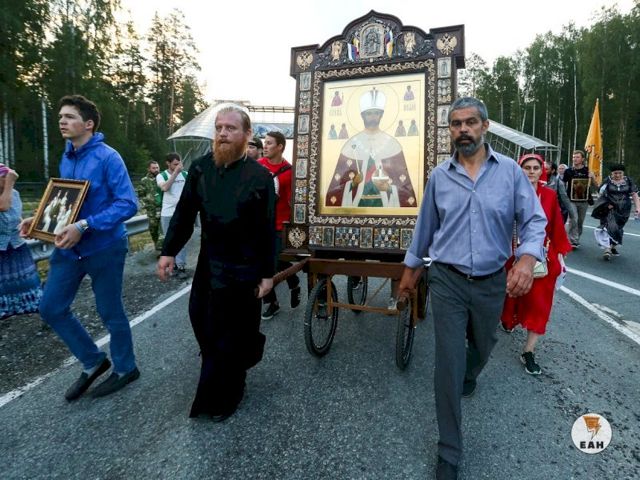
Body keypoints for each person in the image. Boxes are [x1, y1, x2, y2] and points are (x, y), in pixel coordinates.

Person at [397, 97, 547, 480]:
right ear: (450, 130)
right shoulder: (439, 177)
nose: (463, 129)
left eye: (470, 122)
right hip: (447, 279)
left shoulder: (510, 172)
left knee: (484, 343)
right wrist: (410, 271)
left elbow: (534, 220)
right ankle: (449, 452)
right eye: (455, 124)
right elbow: (425, 228)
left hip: (492, 281)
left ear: (485, 126)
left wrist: (526, 259)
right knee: (448, 363)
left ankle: (471, 371)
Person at [156, 104, 275, 421]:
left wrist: (267, 274)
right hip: (210, 265)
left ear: (247, 134)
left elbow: (267, 229)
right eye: (219, 128)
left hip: (244, 268)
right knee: (202, 321)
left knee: (233, 334)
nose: (222, 133)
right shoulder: (201, 169)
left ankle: (229, 394)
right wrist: (169, 251)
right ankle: (222, 377)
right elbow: (184, 214)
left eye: (230, 128)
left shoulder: (260, 177)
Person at [19, 94, 139, 400]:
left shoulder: (108, 157)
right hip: (68, 249)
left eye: (70, 116)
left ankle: (126, 368)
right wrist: (40, 218)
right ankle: (93, 360)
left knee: (109, 310)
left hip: (105, 247)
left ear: (88, 124)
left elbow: (127, 204)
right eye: (61, 116)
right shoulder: (67, 156)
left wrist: (84, 226)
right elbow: (66, 201)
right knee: (50, 307)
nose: (62, 121)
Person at [500, 154, 572, 375]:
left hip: (541, 258)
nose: (531, 171)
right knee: (509, 296)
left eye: (535, 168)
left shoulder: (549, 195)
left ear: (543, 171)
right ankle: (508, 319)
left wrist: (560, 253)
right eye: (527, 167)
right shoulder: (507, 193)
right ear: (519, 170)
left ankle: (528, 351)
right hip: (510, 254)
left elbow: (556, 225)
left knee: (540, 303)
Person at [325, 87, 417, 208]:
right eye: (369, 113)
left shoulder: (393, 145)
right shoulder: (350, 145)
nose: (373, 116)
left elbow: (406, 190)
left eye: (376, 113)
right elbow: (334, 190)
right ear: (362, 115)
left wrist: (389, 188)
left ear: (381, 115)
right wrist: (353, 184)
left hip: (386, 207)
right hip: (357, 207)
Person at [257, 131, 301, 320]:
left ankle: (292, 278)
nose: (265, 146)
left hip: (280, 225)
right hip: (259, 225)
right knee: (260, 265)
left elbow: (293, 201)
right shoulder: (257, 166)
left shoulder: (290, 171)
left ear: (280, 146)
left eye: (269, 143)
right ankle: (272, 302)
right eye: (264, 142)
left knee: (274, 263)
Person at [0, 165, 42, 319]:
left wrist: (26, 227)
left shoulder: (14, 194)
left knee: (25, 284)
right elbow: (3, 206)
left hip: (16, 245)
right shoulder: (9, 191)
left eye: (6, 177)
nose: (6, 180)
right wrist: (10, 182)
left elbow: (16, 216)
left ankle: (30, 309)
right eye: (3, 177)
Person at [592, 164, 640, 260]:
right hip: (610, 208)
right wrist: (605, 204)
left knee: (618, 228)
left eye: (619, 173)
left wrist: (638, 208)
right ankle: (607, 249)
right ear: (612, 173)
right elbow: (600, 193)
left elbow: (634, 195)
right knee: (608, 226)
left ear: (623, 173)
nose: (617, 175)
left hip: (624, 210)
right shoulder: (607, 181)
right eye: (615, 173)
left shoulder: (628, 181)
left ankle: (613, 245)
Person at [156, 152, 188, 278]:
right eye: (175, 164)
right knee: (169, 240)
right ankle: (172, 264)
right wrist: (175, 173)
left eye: (179, 164)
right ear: (168, 163)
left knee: (181, 239)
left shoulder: (185, 174)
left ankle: (181, 266)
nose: (178, 166)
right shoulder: (161, 175)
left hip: (181, 212)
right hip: (167, 213)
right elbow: (164, 188)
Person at [564, 150, 598, 248]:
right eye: (573, 157)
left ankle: (576, 238)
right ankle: (572, 240)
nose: (575, 159)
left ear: (582, 159)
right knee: (573, 219)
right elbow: (562, 183)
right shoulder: (568, 171)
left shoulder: (588, 170)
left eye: (577, 157)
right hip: (571, 199)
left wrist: (592, 178)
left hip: (584, 200)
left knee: (580, 221)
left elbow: (596, 186)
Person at [137, 160, 163, 252]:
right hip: (152, 209)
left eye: (157, 167)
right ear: (149, 169)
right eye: (153, 168)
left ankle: (164, 249)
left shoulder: (163, 177)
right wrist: (146, 204)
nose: (156, 170)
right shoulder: (144, 181)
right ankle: (157, 245)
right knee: (153, 228)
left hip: (164, 208)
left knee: (164, 228)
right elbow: (140, 195)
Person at [545, 159, 574, 225]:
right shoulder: (536, 180)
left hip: (552, 211)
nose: (543, 171)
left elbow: (564, 198)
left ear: (552, 170)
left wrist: (571, 213)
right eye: (542, 168)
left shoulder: (558, 182)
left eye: (546, 169)